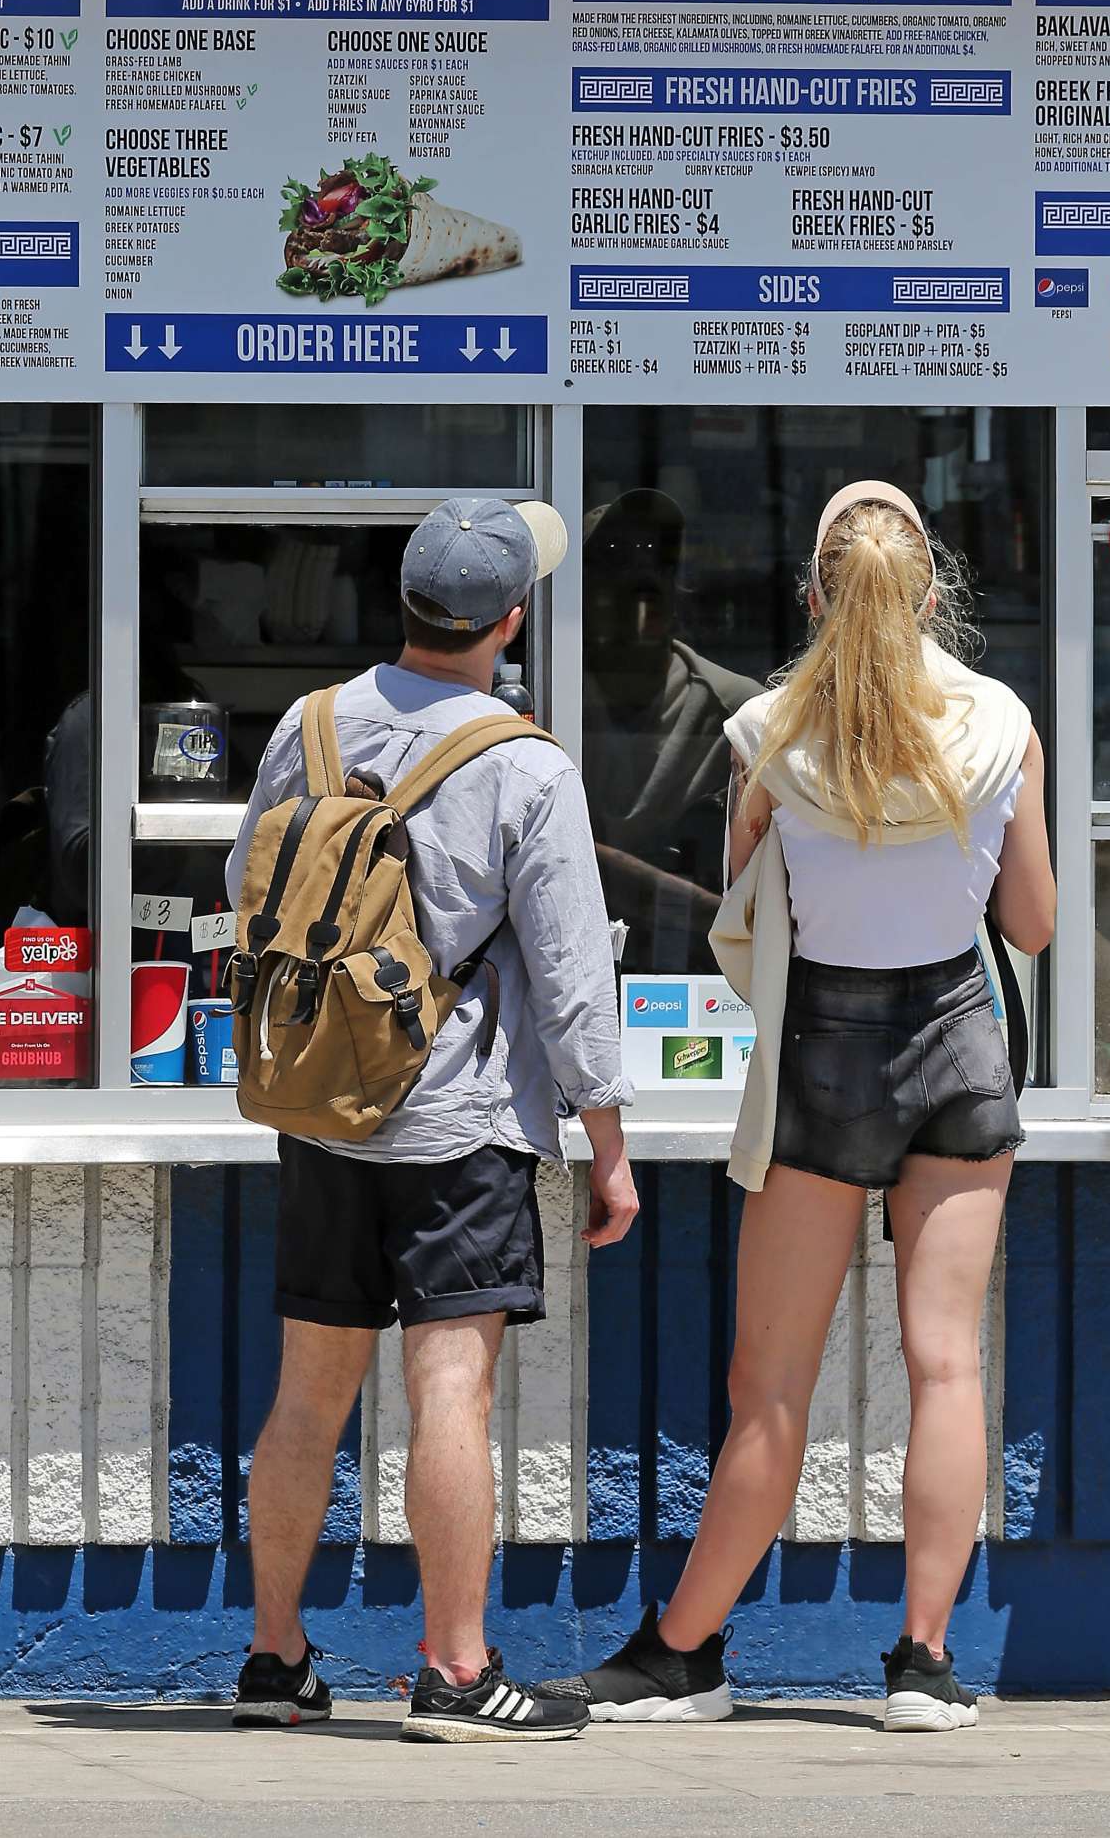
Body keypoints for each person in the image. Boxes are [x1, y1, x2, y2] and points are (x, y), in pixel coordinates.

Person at [542, 481, 1055, 1732]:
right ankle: (925, 1664)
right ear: (933, 594)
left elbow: (744, 910)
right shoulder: (1003, 722)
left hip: (822, 1055)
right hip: (959, 1048)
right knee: (947, 1364)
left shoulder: (766, 730)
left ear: (816, 594)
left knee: (769, 1382)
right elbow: (1034, 924)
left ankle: (685, 1651)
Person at [224, 496, 639, 1744]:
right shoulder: (525, 762)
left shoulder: (307, 728)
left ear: (401, 603)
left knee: (309, 1394)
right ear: (510, 620)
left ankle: (273, 1656)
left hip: (322, 1114)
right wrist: (608, 1148)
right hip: (458, 1125)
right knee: (449, 1390)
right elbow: (571, 979)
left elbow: (249, 891)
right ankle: (456, 1671)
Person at [582, 489, 759, 973]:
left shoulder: (734, 711)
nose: (634, 612)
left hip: (694, 977)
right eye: (611, 582)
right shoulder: (552, 697)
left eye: (651, 585)